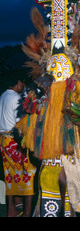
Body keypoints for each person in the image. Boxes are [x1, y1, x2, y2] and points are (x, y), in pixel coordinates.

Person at [0, 73, 37, 217]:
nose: (23, 86)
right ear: (18, 83)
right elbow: (20, 123)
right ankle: (27, 213)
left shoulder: (3, 96)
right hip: (15, 142)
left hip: (3, 141)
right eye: (22, 83)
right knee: (29, 174)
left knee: (10, 176)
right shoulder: (16, 98)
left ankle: (11, 209)